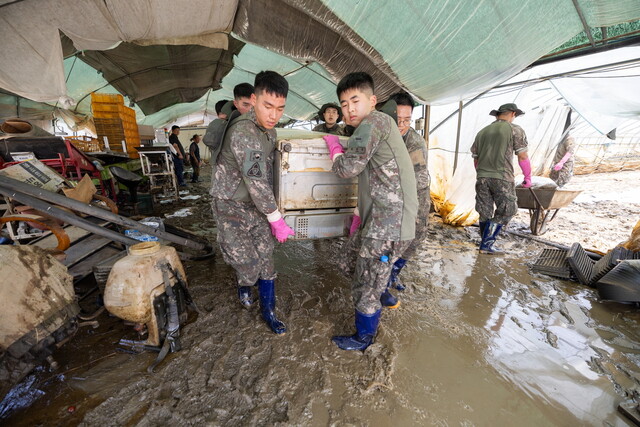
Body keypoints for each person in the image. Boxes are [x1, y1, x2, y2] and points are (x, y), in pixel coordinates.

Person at [324, 72, 417, 351]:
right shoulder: (379, 124)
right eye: (343, 104)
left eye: (355, 100)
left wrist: (335, 151)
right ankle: (383, 290)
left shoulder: (373, 122)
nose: (349, 109)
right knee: (347, 261)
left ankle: (364, 338)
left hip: (387, 226)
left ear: (372, 101)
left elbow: (346, 169)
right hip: (379, 220)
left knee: (364, 286)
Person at [210, 71, 294, 335]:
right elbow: (255, 180)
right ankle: (244, 285)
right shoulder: (244, 131)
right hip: (230, 205)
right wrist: (276, 218)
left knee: (266, 258)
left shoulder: (269, 132)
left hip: (256, 206)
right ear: (254, 100)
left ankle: (268, 311)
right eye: (267, 106)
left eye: (280, 109)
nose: (273, 115)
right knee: (247, 263)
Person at [376, 91, 431, 304]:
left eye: (407, 120)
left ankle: (392, 273)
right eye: (397, 120)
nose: (402, 125)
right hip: (384, 196)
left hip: (413, 195)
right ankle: (381, 279)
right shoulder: (379, 135)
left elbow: (416, 182)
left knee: (415, 237)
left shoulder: (414, 142)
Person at [470, 103, 531, 254]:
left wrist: (482, 173)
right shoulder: (515, 129)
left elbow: (476, 160)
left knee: (485, 211)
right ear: (512, 114)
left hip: (482, 177)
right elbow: (522, 156)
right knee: (508, 210)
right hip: (502, 177)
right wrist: (527, 177)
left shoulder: (482, 132)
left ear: (497, 114)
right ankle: (487, 244)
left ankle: (484, 243)